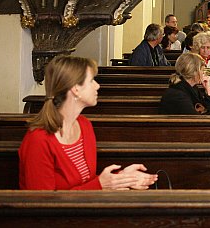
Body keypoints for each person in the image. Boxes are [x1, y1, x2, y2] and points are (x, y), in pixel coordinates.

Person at [19, 55, 158, 190]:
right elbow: (41, 204)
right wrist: (101, 185)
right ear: (75, 89)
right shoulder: (38, 140)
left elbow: (85, 183)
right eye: (91, 81)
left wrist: (121, 178)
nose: (97, 86)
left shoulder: (84, 125)